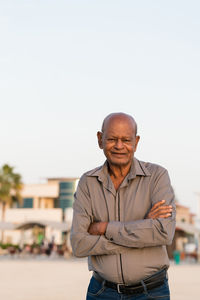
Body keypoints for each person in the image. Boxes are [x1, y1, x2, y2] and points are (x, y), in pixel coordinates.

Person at [70, 112, 176, 300]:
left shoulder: (157, 176)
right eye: (112, 139)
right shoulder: (87, 182)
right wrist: (142, 231)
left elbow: (163, 233)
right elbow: (79, 244)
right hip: (102, 292)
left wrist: (104, 228)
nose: (119, 146)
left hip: (151, 292)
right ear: (100, 139)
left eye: (126, 140)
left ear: (136, 141)